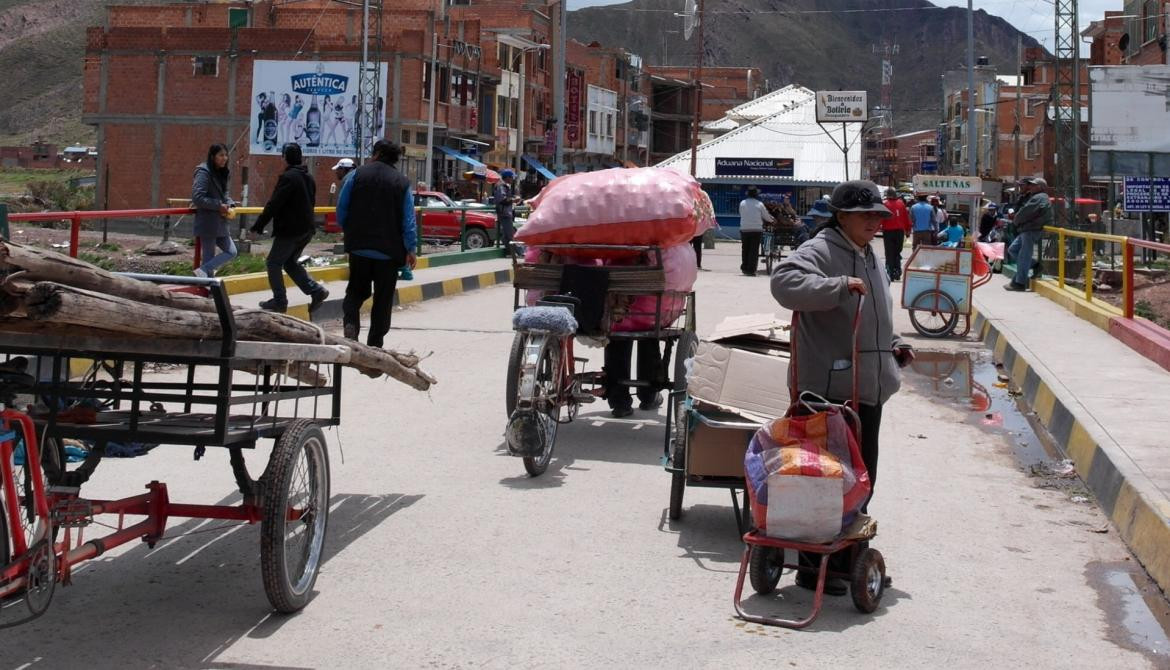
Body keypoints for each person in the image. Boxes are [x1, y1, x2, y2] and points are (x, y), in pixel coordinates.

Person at [771, 179, 914, 596]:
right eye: (865, 215)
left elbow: (875, 318)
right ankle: (816, 567)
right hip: (828, 391)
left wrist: (893, 345)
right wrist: (834, 287)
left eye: (878, 215)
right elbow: (784, 283)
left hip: (866, 387)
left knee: (861, 477)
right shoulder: (821, 249)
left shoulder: (866, 252)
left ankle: (848, 558)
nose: (875, 222)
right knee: (824, 479)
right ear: (842, 217)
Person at [337, 139, 417, 348]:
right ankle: (375, 343)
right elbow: (408, 220)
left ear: (377, 154)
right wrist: (411, 249)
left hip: (359, 247)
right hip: (389, 253)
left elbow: (342, 208)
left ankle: (351, 324)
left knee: (355, 290)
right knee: (383, 299)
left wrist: (351, 231)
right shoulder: (402, 183)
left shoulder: (356, 175)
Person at [250, 142, 329, 313]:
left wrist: (259, 224)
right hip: (306, 229)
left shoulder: (288, 178)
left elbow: (274, 203)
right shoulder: (308, 177)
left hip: (291, 230)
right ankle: (316, 290)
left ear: (285, 158)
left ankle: (280, 301)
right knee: (290, 263)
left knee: (273, 263)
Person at [191, 144, 238, 278]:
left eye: (226, 155)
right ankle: (208, 288)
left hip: (221, 222)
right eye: (221, 155)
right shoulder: (203, 172)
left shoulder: (222, 172)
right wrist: (218, 205)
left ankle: (202, 271)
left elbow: (225, 194)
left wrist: (230, 204)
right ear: (213, 157)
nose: (225, 158)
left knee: (231, 252)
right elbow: (197, 197)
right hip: (208, 222)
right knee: (209, 256)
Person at [1004, 176, 1052, 291]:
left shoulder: (1039, 197)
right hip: (1026, 229)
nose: (1031, 187)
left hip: (1031, 229)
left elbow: (1026, 211)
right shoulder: (1037, 197)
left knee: (1024, 255)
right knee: (1012, 250)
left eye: (1034, 185)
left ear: (1040, 187)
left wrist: (1016, 220)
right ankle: (1035, 265)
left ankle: (1020, 283)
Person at [738, 186, 775, 276]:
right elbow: (766, 217)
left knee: (745, 249)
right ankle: (751, 270)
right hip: (756, 230)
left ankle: (745, 268)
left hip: (744, 229)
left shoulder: (742, 203)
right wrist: (772, 220)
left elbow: (740, 213)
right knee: (753, 250)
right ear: (756, 195)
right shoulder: (759, 204)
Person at [880, 188, 911, 280]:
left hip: (888, 232)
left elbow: (880, 218)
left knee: (889, 252)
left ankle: (890, 272)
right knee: (897, 252)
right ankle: (897, 271)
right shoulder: (901, 204)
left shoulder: (884, 204)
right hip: (899, 232)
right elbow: (906, 218)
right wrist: (908, 230)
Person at [494, 168, 520, 247]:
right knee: (510, 234)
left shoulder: (505, 186)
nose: (513, 179)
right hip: (504, 213)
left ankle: (508, 252)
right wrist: (514, 200)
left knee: (506, 236)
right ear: (508, 177)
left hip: (507, 213)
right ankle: (521, 252)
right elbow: (502, 199)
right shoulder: (501, 186)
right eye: (512, 177)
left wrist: (513, 198)